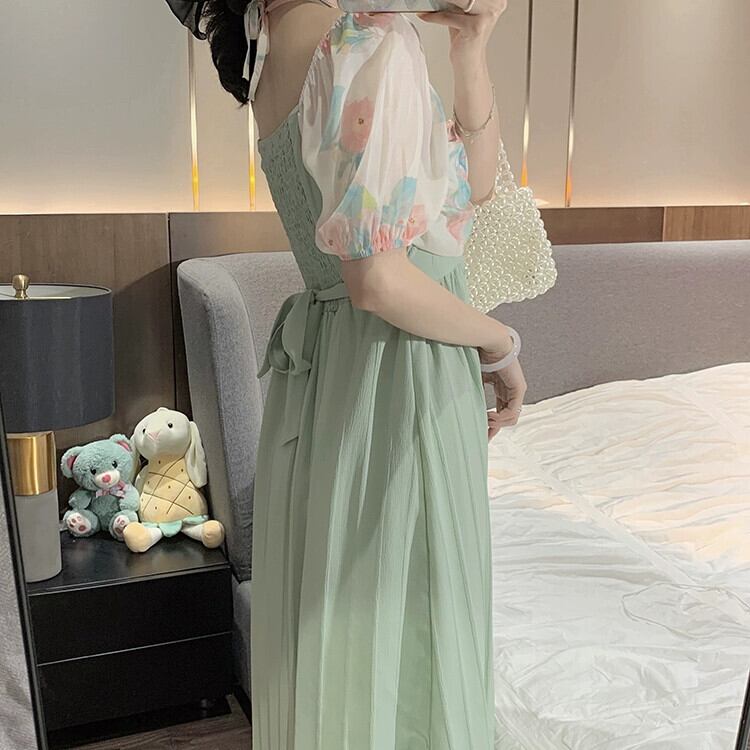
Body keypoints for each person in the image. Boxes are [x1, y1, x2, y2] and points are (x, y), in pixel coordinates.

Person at [169, 0, 525, 746]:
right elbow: (381, 281)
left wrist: (470, 48)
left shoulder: (274, 42)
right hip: (403, 369)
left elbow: (476, 188)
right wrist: (499, 343)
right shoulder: (362, 38)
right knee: (411, 624)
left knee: (350, 633)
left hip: (338, 375)